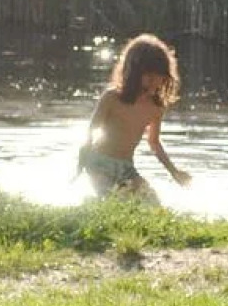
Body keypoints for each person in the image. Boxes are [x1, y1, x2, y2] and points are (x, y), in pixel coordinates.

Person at [77, 33, 192, 202]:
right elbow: (91, 131)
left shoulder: (156, 107)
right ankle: (90, 204)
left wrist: (174, 171)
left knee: (152, 203)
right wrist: (82, 163)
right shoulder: (112, 98)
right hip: (99, 164)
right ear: (134, 72)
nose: (156, 82)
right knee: (111, 202)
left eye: (159, 77)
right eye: (150, 77)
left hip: (127, 168)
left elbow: (154, 142)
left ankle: (94, 202)